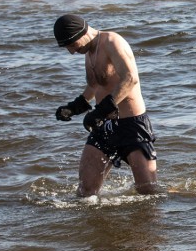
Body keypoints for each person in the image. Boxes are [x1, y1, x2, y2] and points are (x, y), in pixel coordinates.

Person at [52, 14, 158, 196]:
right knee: (85, 192)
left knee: (148, 191)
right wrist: (75, 107)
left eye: (71, 45)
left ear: (81, 34)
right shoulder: (88, 51)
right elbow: (95, 85)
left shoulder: (112, 42)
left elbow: (130, 78)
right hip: (104, 127)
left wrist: (101, 110)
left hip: (132, 126)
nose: (71, 52)